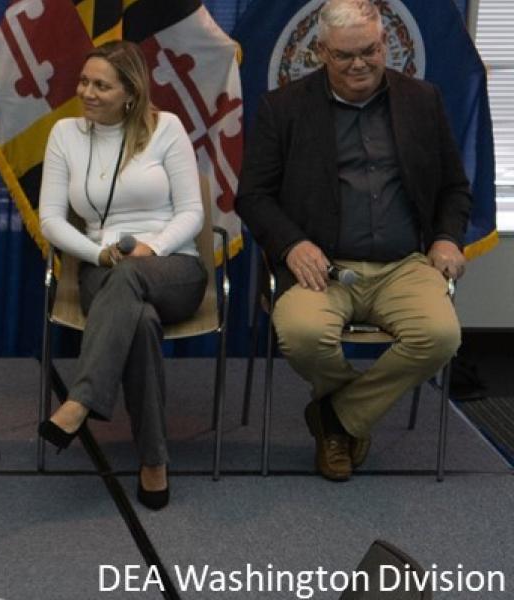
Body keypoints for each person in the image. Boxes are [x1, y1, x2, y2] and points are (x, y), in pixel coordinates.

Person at [237, 0, 468, 482]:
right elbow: (253, 196)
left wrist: (447, 239)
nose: (359, 64)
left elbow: (454, 187)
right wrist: (293, 245)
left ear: (384, 44)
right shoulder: (284, 107)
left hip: (404, 265)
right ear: (321, 51)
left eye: (369, 51)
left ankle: (336, 420)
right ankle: (345, 420)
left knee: (440, 336)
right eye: (344, 55)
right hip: (322, 267)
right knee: (303, 334)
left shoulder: (422, 100)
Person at [35, 41, 206, 511]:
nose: (86, 93)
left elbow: (192, 212)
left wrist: (154, 247)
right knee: (141, 322)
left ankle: (80, 401)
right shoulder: (65, 134)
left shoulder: (166, 128)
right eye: (83, 81)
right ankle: (154, 460)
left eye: (101, 85)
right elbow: (50, 220)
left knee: (133, 278)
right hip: (103, 269)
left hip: (173, 266)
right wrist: (97, 253)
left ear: (130, 93)